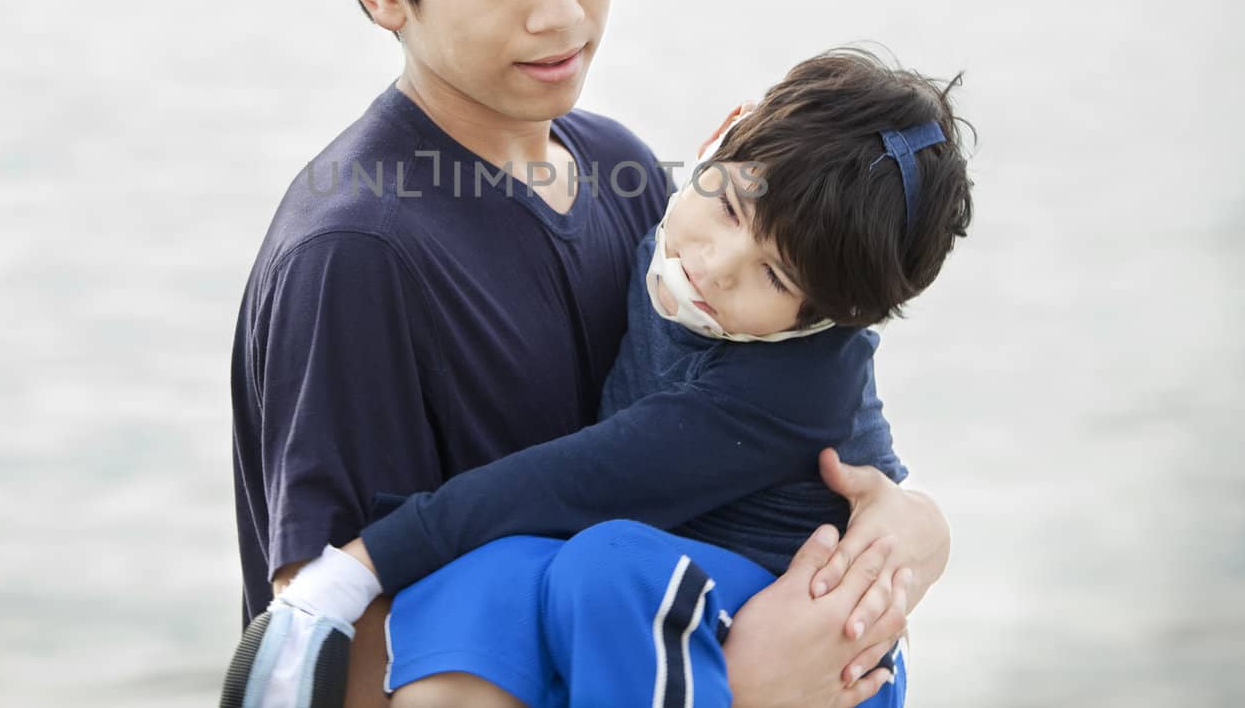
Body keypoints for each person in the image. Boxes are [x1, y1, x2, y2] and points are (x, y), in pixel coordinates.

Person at [229, 0, 953, 708]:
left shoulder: (624, 171)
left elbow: (784, 426)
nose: (560, 13)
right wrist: (735, 684)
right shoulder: (358, 252)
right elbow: (333, 661)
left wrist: (915, 522)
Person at [228, 51, 973, 708]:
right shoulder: (660, 215)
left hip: (813, 630)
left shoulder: (795, 384)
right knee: (480, 572)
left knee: (602, 559)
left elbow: (581, 479)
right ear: (724, 132)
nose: (717, 261)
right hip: (663, 596)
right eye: (729, 203)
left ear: (832, 316)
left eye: (773, 275)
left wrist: (363, 561)